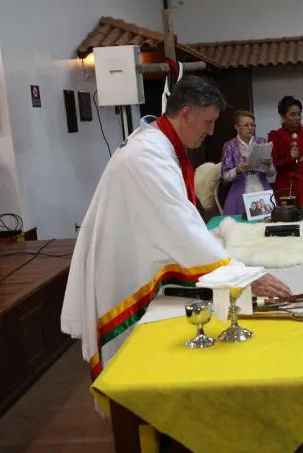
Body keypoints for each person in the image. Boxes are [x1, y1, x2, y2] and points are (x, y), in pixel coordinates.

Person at [60, 76, 291, 379]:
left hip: (133, 256)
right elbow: (180, 225)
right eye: (207, 122)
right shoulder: (148, 156)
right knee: (132, 370)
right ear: (186, 113)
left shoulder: (156, 144)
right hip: (124, 273)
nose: (210, 132)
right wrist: (241, 275)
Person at [221, 110, 276, 215]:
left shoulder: (262, 142)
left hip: (262, 190)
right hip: (239, 190)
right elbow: (225, 176)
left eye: (252, 125)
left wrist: (269, 165)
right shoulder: (229, 146)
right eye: (246, 125)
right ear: (237, 127)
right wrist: (237, 170)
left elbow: (271, 173)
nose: (250, 128)